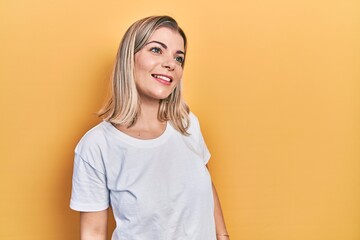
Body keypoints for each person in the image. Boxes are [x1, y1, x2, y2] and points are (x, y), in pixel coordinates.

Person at [70, 15, 229, 240]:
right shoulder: (97, 146)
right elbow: (93, 233)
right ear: (129, 58)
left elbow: (205, 186)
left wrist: (222, 236)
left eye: (179, 58)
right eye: (156, 50)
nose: (170, 63)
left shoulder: (187, 124)